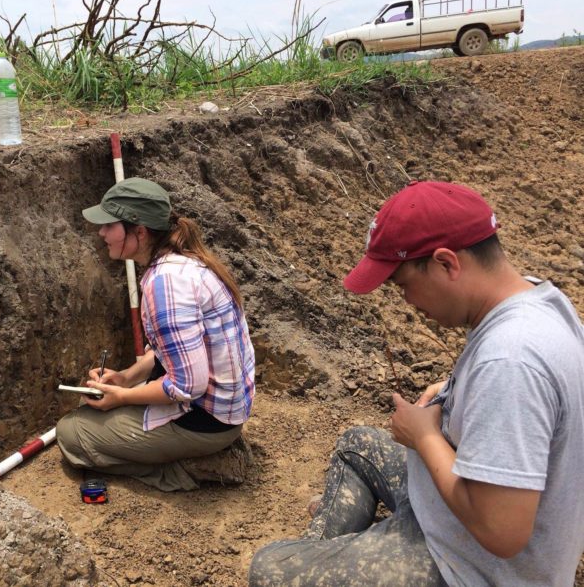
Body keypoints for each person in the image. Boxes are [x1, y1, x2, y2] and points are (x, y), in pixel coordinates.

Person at [249, 180, 584, 586]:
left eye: (404, 285)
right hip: (447, 512)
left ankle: (322, 563)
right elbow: (539, 394)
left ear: (447, 263)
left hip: (472, 566)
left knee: (270, 569)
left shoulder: (509, 359)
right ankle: (325, 556)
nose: (407, 300)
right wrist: (460, 390)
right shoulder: (537, 302)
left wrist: (426, 437)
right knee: (359, 444)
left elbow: (502, 532)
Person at [56, 177, 256, 492]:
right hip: (222, 412)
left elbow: (188, 384)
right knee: (95, 415)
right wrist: (125, 378)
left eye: (110, 225)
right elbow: (172, 351)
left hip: (205, 423)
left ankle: (192, 468)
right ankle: (199, 452)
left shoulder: (165, 284)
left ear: (140, 231)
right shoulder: (185, 262)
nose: (102, 233)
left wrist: (120, 398)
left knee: (72, 434)